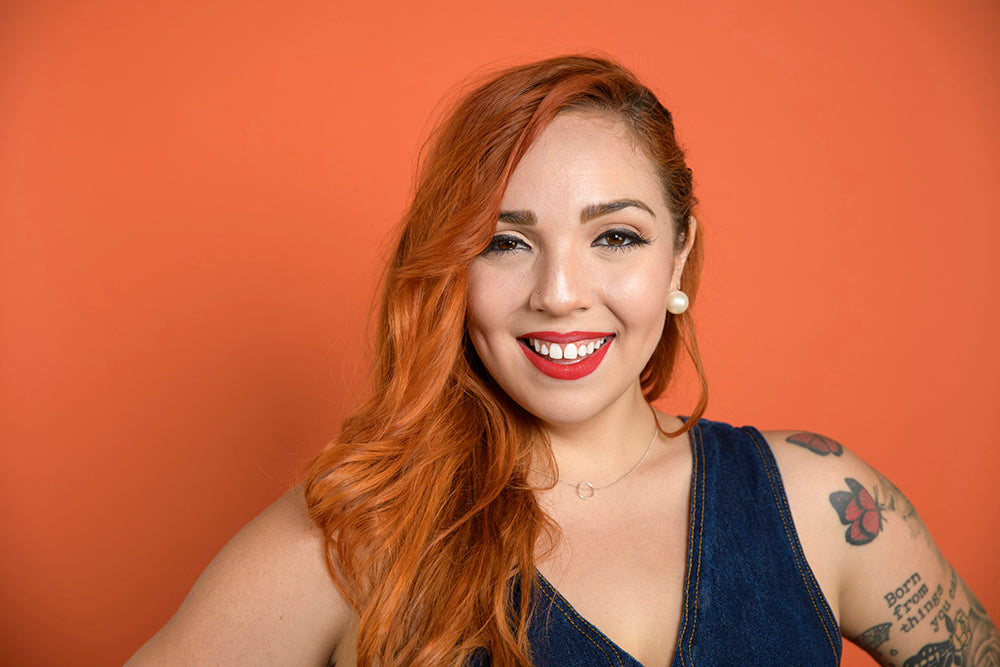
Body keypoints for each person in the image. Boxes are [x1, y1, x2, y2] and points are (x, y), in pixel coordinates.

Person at [126, 56, 997, 667]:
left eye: (615, 236)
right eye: (505, 242)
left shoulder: (825, 503)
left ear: (680, 258)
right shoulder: (357, 535)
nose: (559, 293)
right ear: (454, 270)